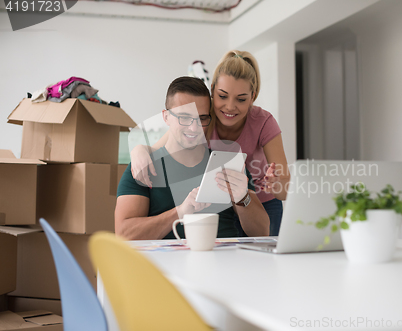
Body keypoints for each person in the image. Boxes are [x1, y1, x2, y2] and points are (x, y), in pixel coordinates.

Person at [131, 50, 289, 236]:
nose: (230, 107)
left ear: (252, 96)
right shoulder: (202, 117)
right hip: (223, 204)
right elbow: (158, 148)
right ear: (212, 89)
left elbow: (285, 189)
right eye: (222, 96)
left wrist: (276, 185)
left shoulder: (263, 122)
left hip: (262, 204)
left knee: (265, 261)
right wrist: (138, 150)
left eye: (241, 99)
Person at [115, 76, 269, 240]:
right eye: (185, 117)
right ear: (166, 117)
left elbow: (262, 232)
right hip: (168, 264)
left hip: (225, 261)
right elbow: (124, 235)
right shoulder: (144, 166)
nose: (194, 128)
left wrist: (243, 198)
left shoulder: (227, 164)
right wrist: (180, 212)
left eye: (202, 118)